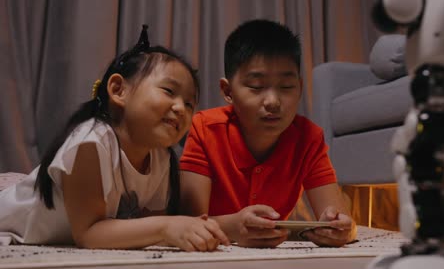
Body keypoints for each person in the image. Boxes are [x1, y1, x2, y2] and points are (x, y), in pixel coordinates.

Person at [0, 25, 229, 251]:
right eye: (169, 91)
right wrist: (167, 227)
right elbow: (89, 233)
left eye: (190, 103)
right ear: (119, 90)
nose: (181, 108)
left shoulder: (160, 157)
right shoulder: (90, 142)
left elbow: (145, 223)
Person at [179, 19, 356, 248]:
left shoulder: (308, 138)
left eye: (286, 87)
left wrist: (339, 228)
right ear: (228, 91)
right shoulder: (204, 129)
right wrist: (233, 227)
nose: (273, 102)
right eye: (256, 86)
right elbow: (187, 222)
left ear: (300, 88)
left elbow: (342, 221)